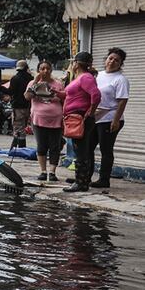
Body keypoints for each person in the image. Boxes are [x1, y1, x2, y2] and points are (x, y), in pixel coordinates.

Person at [56, 51, 100, 193]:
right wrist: (55, 92)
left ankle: (81, 183)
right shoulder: (78, 78)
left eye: (73, 62)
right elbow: (68, 94)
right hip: (75, 117)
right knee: (80, 149)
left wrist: (91, 111)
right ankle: (82, 180)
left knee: (80, 151)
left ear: (77, 63)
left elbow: (96, 95)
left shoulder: (86, 77)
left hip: (80, 117)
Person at [92, 47, 130, 188]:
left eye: (117, 60)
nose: (112, 61)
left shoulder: (120, 79)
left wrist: (115, 120)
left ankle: (104, 179)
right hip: (95, 117)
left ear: (120, 64)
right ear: (106, 59)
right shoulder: (98, 75)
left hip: (110, 118)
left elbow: (122, 101)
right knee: (88, 147)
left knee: (106, 149)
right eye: (110, 58)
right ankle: (84, 176)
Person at [25, 60, 64, 182]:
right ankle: (43, 171)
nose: (45, 71)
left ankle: (52, 172)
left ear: (51, 70)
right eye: (42, 68)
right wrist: (36, 81)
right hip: (39, 119)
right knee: (41, 146)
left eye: (48, 68)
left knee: (55, 146)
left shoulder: (58, 84)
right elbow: (27, 96)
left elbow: (65, 97)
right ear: (38, 71)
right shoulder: (33, 83)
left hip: (56, 119)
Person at [8, 59, 33, 149]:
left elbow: (10, 91)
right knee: (23, 127)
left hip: (17, 107)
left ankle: (20, 148)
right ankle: (19, 147)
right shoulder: (31, 78)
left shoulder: (15, 78)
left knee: (18, 128)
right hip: (28, 106)